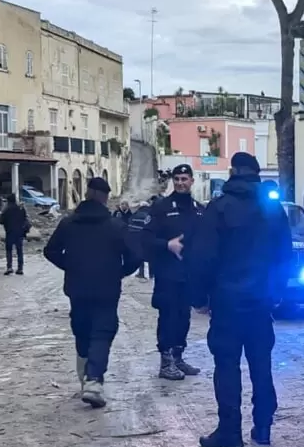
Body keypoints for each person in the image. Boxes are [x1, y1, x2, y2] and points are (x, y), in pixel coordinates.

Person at [188, 152, 291, 447]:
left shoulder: (219, 208)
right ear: (257, 174)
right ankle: (263, 427)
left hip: (227, 303)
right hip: (261, 302)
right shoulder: (273, 210)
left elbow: (203, 256)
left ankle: (230, 431)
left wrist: (199, 297)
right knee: (261, 363)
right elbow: (285, 255)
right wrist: (276, 292)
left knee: (227, 365)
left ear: (232, 171)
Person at [44, 177, 142, 408]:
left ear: (87, 194)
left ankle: (84, 378)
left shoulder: (68, 223)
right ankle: (94, 380)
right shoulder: (116, 226)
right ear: (105, 197)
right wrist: (118, 272)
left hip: (77, 288)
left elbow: (50, 251)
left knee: (82, 330)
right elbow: (135, 257)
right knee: (103, 332)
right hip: (106, 288)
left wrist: (71, 265)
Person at [144, 164, 203, 381]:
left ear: (191, 181)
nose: (180, 182)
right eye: (177, 179)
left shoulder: (198, 209)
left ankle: (178, 357)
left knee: (184, 317)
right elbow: (145, 239)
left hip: (189, 275)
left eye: (184, 179)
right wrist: (167, 245)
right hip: (167, 274)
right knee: (168, 317)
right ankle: (166, 361)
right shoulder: (161, 207)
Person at [0, 193, 30, 275]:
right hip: (20, 233)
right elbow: (25, 218)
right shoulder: (20, 208)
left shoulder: (6, 209)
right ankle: (20, 268)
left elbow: (0, 221)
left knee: (9, 250)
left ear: (8, 201)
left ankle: (9, 267)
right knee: (20, 251)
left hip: (9, 233)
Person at [127, 196, 156, 279]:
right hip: (148, 239)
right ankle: (151, 274)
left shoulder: (135, 214)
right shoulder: (150, 215)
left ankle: (141, 273)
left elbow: (130, 226)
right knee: (150, 256)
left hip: (137, 239)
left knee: (140, 256)